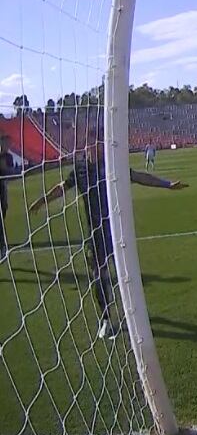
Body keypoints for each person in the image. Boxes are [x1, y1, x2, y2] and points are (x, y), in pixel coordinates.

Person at [29, 132, 187, 339]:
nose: (95, 148)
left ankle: (133, 313)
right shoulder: (80, 170)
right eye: (91, 144)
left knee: (125, 273)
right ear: (86, 147)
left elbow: (139, 177)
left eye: (98, 144)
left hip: (118, 229)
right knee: (99, 274)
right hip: (95, 232)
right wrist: (43, 201)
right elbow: (62, 188)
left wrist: (167, 184)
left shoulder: (113, 166)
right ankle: (105, 318)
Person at [0, 135, 15, 259]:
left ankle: (2, 246)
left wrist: (5, 169)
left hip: (2, 190)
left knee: (1, 216)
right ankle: (2, 246)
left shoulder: (8, 157)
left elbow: (10, 172)